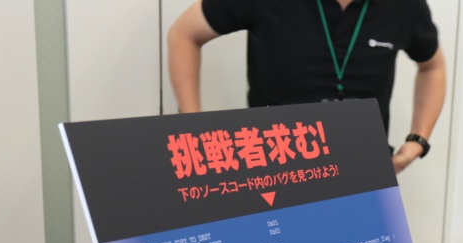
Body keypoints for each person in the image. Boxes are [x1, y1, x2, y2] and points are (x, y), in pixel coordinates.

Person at [167, 0, 446, 173]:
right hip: (276, 172)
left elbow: (432, 66)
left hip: (364, 171)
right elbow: (184, 34)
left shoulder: (405, 6)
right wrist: (193, 128)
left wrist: (417, 141)